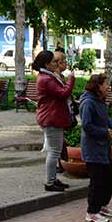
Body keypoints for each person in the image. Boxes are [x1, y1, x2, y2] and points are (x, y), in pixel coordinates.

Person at [79, 74, 112, 222]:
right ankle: (92, 212)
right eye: (106, 84)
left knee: (108, 179)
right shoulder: (88, 103)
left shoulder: (100, 101)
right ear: (98, 86)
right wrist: (105, 132)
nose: (108, 87)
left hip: (103, 148)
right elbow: (87, 126)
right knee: (97, 181)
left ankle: (102, 206)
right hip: (93, 149)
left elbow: (105, 119)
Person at [33, 49, 75, 192]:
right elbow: (63, 93)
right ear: (46, 64)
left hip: (52, 116)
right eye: (54, 62)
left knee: (54, 151)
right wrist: (71, 80)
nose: (56, 64)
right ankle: (50, 182)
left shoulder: (48, 76)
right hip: (51, 118)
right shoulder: (46, 79)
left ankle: (53, 179)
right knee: (54, 152)